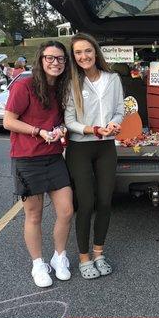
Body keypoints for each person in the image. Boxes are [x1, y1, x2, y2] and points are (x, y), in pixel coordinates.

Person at [3, 41, 74, 288]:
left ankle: (59, 257)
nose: (55, 62)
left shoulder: (61, 88)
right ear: (41, 60)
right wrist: (39, 132)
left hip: (53, 157)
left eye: (60, 59)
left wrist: (61, 129)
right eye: (50, 58)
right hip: (27, 158)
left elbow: (62, 121)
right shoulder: (24, 86)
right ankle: (38, 264)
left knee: (66, 210)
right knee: (34, 215)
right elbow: (8, 121)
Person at [64, 33, 124, 280]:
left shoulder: (113, 79)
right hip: (80, 147)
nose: (83, 56)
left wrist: (113, 124)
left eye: (87, 51)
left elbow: (120, 110)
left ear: (95, 52)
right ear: (73, 56)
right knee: (86, 203)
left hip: (106, 146)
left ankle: (99, 253)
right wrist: (91, 129)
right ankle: (84, 257)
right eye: (78, 52)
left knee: (105, 202)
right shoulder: (72, 83)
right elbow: (68, 121)